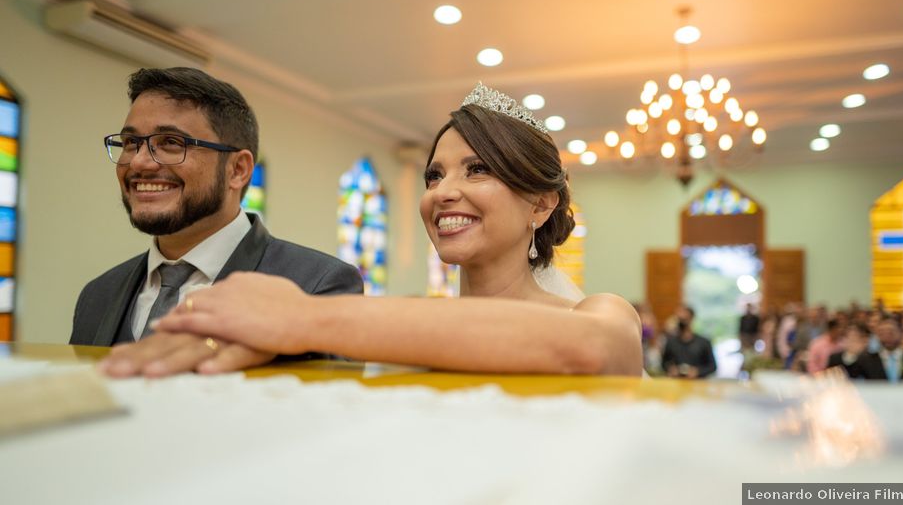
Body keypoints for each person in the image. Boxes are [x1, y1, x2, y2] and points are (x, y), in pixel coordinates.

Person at [102, 82, 644, 376]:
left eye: (477, 169)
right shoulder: (405, 326)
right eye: (434, 174)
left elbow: (586, 350)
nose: (442, 192)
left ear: (542, 205)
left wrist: (301, 318)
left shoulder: (600, 314)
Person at [81, 67, 362, 376]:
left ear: (238, 170)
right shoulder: (98, 294)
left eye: (172, 142)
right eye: (131, 143)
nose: (139, 162)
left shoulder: (318, 285)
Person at [828, 318, 903, 382]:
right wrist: (851, 355)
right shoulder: (866, 361)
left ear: (901, 333)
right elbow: (849, 380)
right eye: (883, 333)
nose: (887, 336)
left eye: (891, 332)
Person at [660, 305, 716, 378]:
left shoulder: (704, 342)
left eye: (685, 318)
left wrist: (698, 371)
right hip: (676, 383)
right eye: (680, 318)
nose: (682, 321)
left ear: (691, 318)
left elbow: (712, 366)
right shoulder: (671, 342)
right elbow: (664, 363)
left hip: (697, 384)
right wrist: (670, 369)